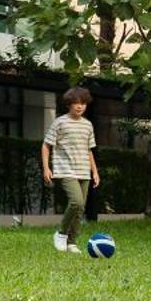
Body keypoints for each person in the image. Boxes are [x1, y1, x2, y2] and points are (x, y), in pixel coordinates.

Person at [42, 87, 100, 254]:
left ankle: (71, 242)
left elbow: (89, 150)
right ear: (69, 104)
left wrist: (94, 172)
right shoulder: (60, 122)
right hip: (65, 170)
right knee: (76, 202)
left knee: (80, 209)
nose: (79, 106)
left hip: (84, 172)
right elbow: (46, 145)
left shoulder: (88, 125)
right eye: (76, 103)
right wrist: (46, 168)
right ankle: (61, 234)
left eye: (82, 103)